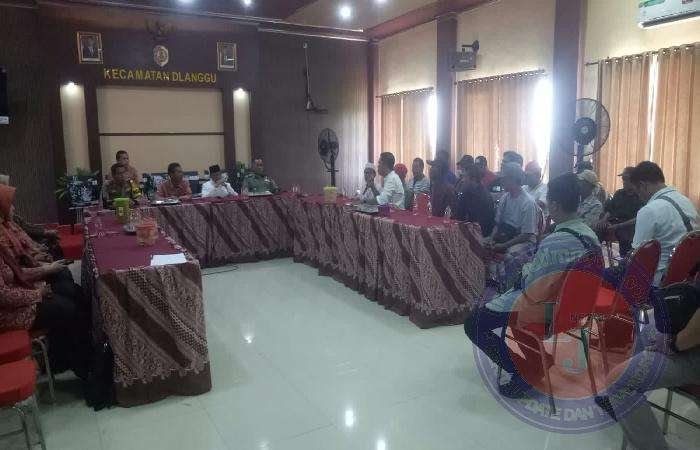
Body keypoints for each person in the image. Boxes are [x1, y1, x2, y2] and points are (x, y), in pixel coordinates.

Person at [465, 173, 601, 398]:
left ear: (554, 205)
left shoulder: (555, 241)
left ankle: (526, 371)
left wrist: (526, 270)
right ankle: (536, 358)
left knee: (474, 323)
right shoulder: (590, 235)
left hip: (546, 307)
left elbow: (533, 287)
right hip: (577, 307)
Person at [602, 277, 700, 450]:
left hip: (692, 349)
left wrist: (673, 344)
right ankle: (628, 405)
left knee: (617, 382)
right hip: (688, 326)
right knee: (648, 331)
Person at [629, 161, 698, 284]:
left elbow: (637, 258)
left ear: (643, 185)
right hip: (690, 277)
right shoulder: (686, 201)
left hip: (660, 281)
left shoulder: (649, 211)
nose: (639, 197)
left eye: (637, 192)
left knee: (606, 275)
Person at [485, 163, 539, 292]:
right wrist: (491, 239)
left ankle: (509, 291)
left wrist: (503, 246)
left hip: (524, 241)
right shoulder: (505, 198)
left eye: (504, 178)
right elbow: (497, 224)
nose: (501, 181)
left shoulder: (528, 202)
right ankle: (489, 285)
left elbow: (526, 235)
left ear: (514, 179)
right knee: (481, 244)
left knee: (510, 256)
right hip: (506, 235)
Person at [0, 175, 62, 259]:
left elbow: (25, 226)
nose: (7, 187)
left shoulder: (9, 219)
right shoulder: (5, 223)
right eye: (4, 184)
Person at [595, 167, 643, 256]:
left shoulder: (640, 196)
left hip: (629, 225)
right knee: (598, 228)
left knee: (626, 236)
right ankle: (593, 256)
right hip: (614, 221)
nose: (624, 182)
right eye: (623, 179)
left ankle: (625, 259)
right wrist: (604, 219)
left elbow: (638, 218)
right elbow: (610, 209)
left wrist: (618, 226)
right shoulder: (619, 193)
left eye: (626, 179)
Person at [453, 164, 495, 236]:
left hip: (479, 232)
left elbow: (480, 222)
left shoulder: (484, 196)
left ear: (473, 179)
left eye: (465, 177)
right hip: (469, 228)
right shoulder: (467, 191)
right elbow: (459, 215)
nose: (463, 180)